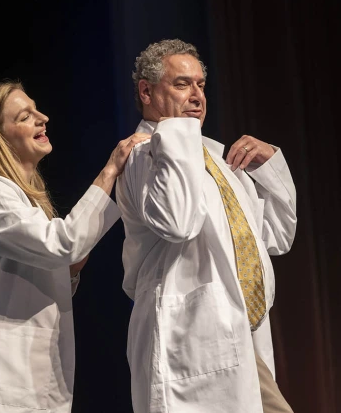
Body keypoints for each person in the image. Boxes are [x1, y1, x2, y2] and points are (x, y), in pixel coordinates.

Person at [0, 80, 150, 413]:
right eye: (25, 116)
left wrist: (69, 269)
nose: (43, 118)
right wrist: (111, 169)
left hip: (27, 369)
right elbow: (62, 245)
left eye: (37, 110)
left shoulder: (21, 200)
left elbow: (61, 258)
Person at [116, 39, 297, 412]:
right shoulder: (140, 154)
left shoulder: (216, 153)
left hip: (241, 337)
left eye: (201, 85)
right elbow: (178, 222)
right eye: (182, 84)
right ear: (146, 92)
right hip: (187, 339)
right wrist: (177, 131)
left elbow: (277, 237)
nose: (197, 95)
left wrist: (270, 165)